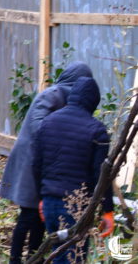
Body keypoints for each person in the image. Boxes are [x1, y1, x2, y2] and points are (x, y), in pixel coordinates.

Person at [0, 62, 93, 264]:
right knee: (28, 214)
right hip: (30, 160)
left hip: (47, 163)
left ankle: (35, 255)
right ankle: (15, 259)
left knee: (41, 216)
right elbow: (37, 126)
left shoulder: (70, 99)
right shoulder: (52, 94)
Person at [32, 76, 114, 264]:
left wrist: (42, 199)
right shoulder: (97, 131)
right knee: (71, 258)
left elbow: (37, 164)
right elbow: (101, 175)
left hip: (50, 204)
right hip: (75, 208)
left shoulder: (48, 123)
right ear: (94, 102)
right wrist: (107, 210)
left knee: (59, 254)